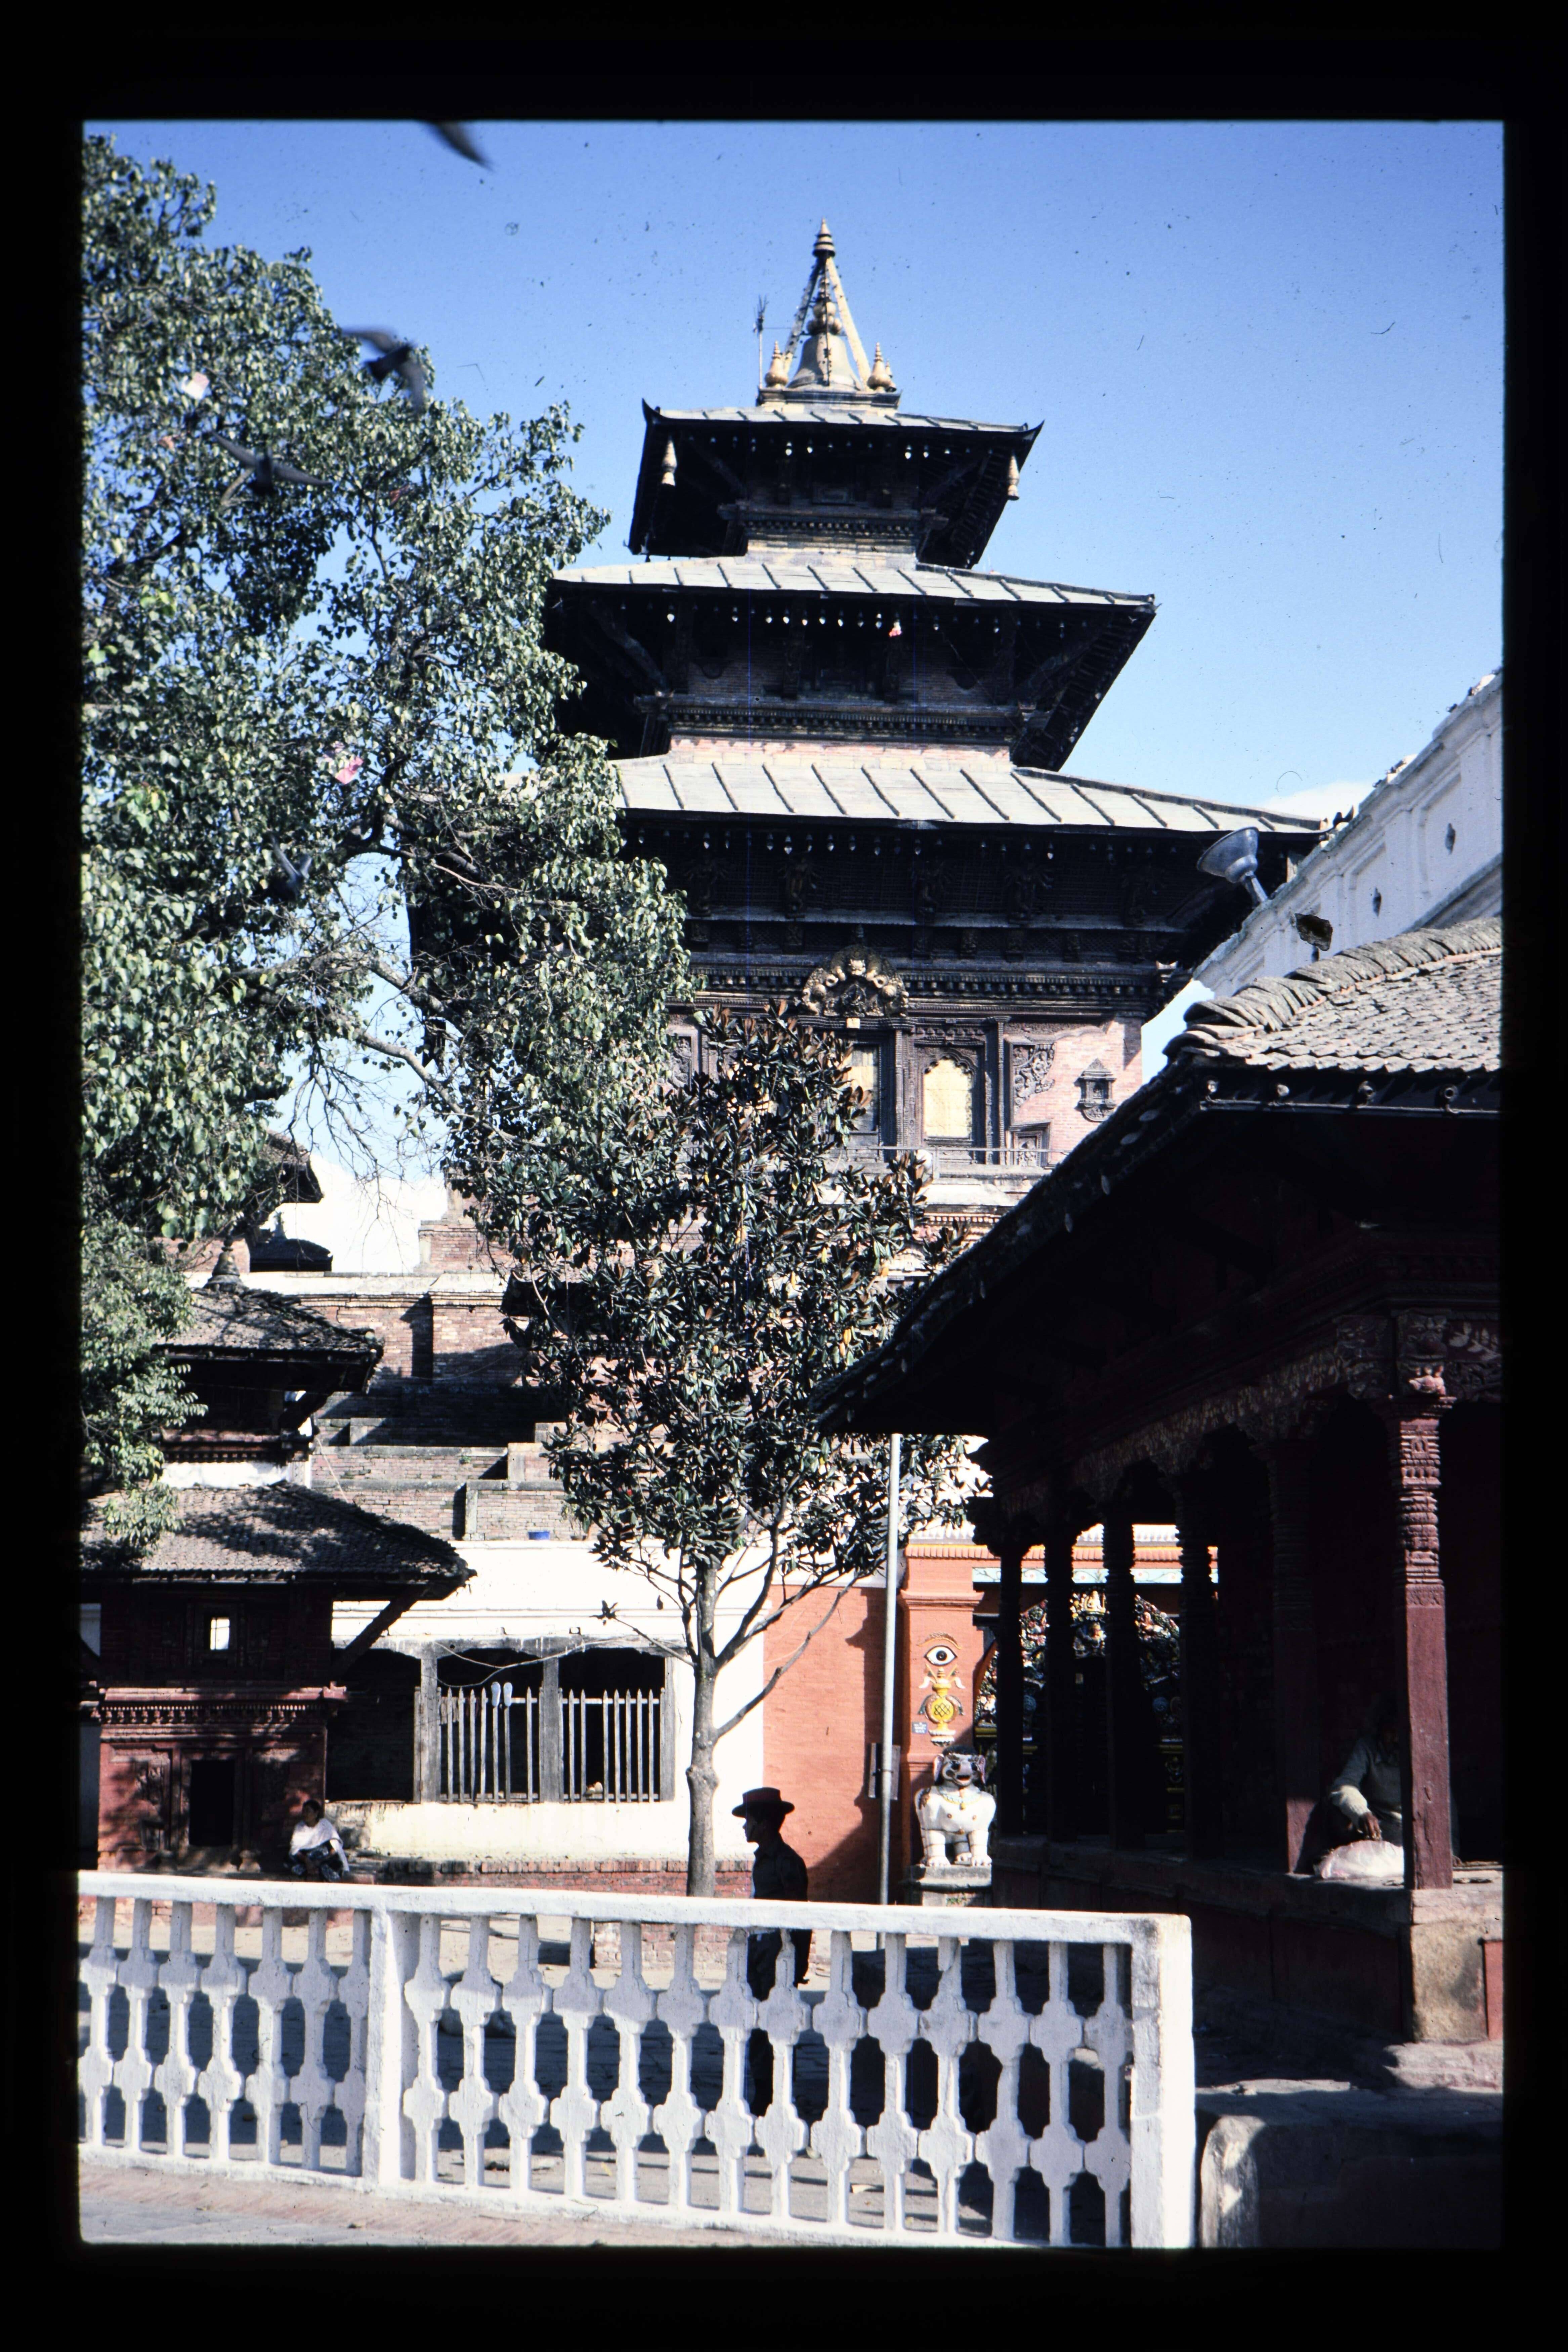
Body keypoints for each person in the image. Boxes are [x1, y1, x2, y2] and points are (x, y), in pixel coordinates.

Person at [735, 1786, 810, 2114]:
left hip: (777, 1952)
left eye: (749, 1820)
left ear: (763, 1824)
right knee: (756, 2021)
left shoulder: (786, 1861)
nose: (744, 1827)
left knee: (775, 2023)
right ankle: (763, 2092)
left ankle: (776, 2095)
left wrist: (799, 1961)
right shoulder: (762, 1860)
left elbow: (799, 1917)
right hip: (758, 1949)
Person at [1328, 1693, 1404, 1844]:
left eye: (1400, 1733)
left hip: (1408, 1829)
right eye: (1391, 1732)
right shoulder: (1367, 1748)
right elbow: (1344, 1786)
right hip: (1380, 1828)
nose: (1396, 1739)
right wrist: (1362, 1813)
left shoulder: (1416, 1751)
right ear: (1380, 1730)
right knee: (1337, 1817)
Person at [288, 1796, 351, 1881]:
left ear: (316, 1813)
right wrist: (307, 1861)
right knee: (289, 1860)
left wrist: (321, 1861)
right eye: (304, 1811)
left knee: (335, 1861)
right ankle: (313, 1871)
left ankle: (319, 1870)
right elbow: (295, 1849)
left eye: (308, 1811)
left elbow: (335, 1846)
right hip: (306, 1859)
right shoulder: (299, 1827)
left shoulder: (324, 1824)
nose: (305, 1814)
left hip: (323, 1858)